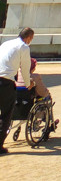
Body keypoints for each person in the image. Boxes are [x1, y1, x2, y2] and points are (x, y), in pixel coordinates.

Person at [0, 27, 34, 155]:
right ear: (29, 37)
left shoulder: (6, 43)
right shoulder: (24, 47)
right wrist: (28, 83)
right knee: (6, 114)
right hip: (5, 82)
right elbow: (25, 68)